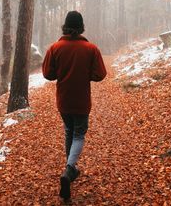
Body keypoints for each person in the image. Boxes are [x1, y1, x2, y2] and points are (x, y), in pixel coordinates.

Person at [42, 11, 107, 201]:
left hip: (63, 100)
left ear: (65, 26)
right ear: (81, 27)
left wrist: (63, 72)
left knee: (69, 131)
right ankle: (69, 170)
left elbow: (48, 74)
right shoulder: (91, 49)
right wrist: (84, 73)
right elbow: (100, 74)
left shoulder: (55, 48)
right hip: (81, 100)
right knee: (78, 134)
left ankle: (69, 168)